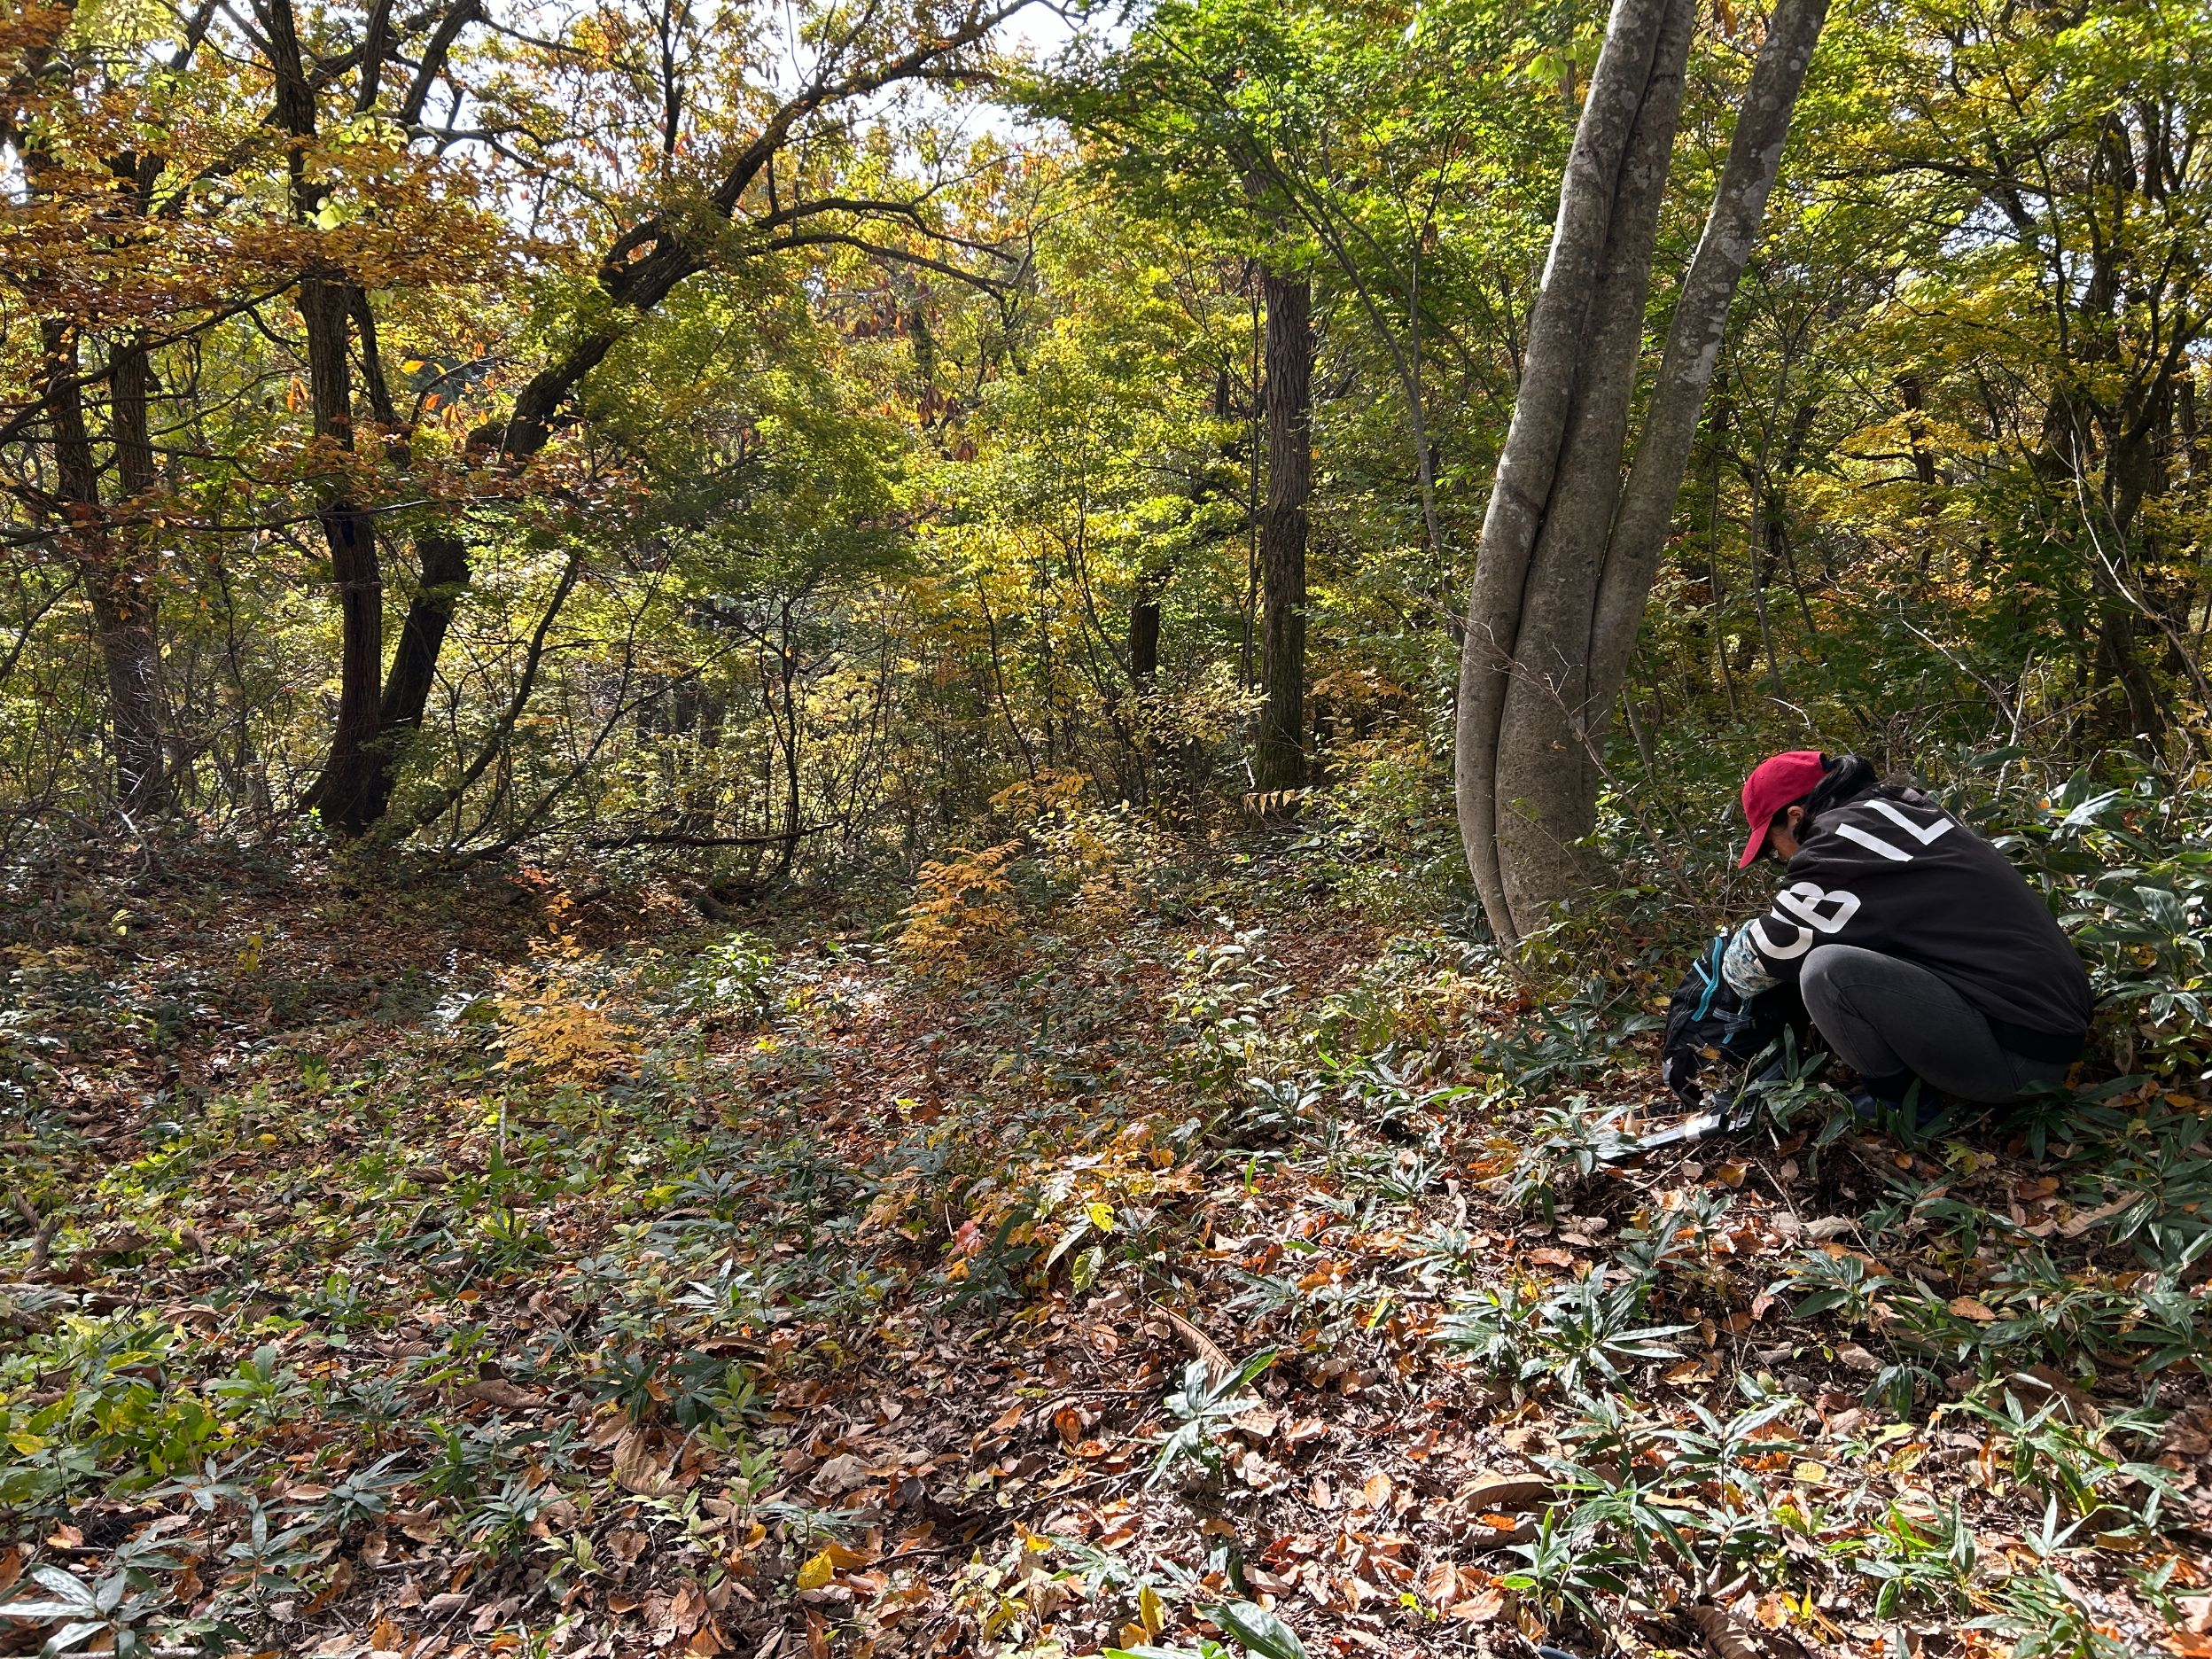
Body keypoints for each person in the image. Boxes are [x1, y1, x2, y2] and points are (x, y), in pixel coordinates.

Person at [1718, 751, 2091, 1110]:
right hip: (2055, 1027)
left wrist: (1725, 948)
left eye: (1773, 849)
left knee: (1827, 970)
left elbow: (1752, 966)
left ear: (1795, 817)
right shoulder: (1905, 808)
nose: (1783, 859)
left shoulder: (1838, 844)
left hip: (2020, 1063)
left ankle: (1897, 1104)